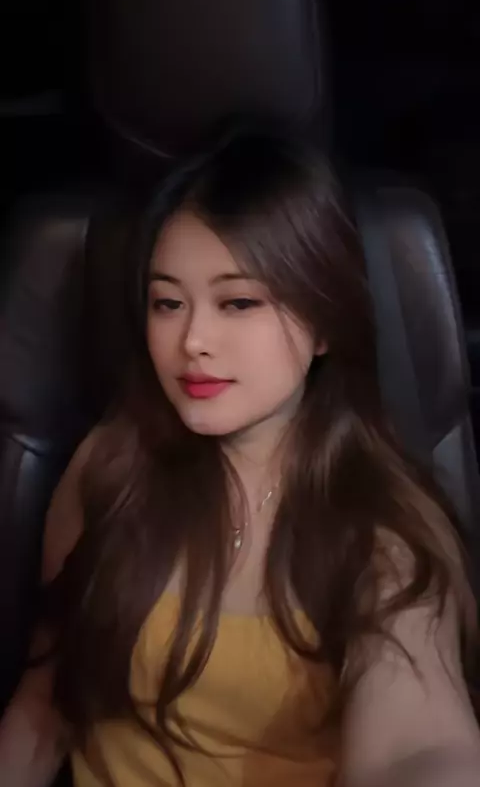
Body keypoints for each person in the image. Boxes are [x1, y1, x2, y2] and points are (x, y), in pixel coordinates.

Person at [0, 127, 479, 787]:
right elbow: (43, 707)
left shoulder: (382, 528)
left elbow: (417, 746)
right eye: (168, 303)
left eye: (239, 302)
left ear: (322, 322)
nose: (193, 339)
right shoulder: (110, 468)